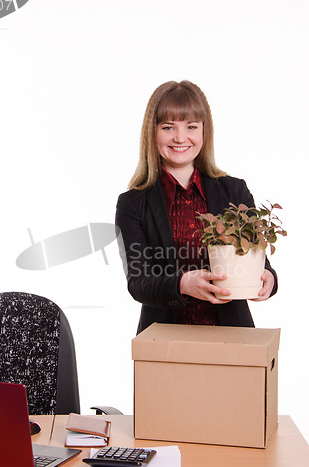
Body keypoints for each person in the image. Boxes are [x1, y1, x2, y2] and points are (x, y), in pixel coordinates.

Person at [115, 80, 277, 334]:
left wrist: (269, 277)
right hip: (164, 341)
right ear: (152, 132)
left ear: (204, 131)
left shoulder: (234, 191)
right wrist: (182, 284)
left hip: (232, 338)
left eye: (191, 126)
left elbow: (255, 260)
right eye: (168, 127)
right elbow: (138, 282)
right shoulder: (133, 203)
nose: (180, 138)